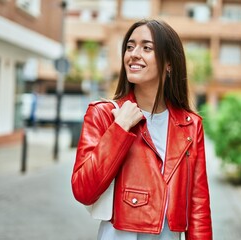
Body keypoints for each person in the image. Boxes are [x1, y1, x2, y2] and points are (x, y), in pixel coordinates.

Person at [71, 19, 212, 240]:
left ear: (169, 63)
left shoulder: (190, 125)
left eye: (147, 48)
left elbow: (198, 204)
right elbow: (83, 190)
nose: (134, 54)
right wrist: (119, 129)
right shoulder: (103, 114)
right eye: (130, 46)